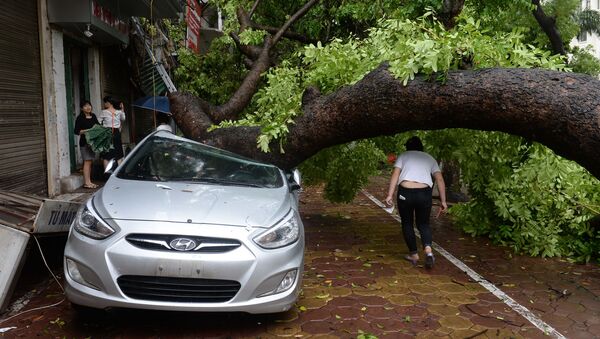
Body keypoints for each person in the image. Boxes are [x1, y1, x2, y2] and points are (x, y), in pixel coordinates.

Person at [385, 136, 447, 269]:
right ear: (421, 147)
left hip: (405, 193)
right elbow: (440, 179)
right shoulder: (429, 158)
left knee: (407, 223)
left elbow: (395, 175)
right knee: (423, 224)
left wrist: (390, 195)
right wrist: (443, 201)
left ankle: (414, 254)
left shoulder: (404, 155)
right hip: (424, 193)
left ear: (407, 147)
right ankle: (429, 252)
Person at [74, 100, 100, 189]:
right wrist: (87, 131)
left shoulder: (93, 116)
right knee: (87, 161)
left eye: (89, 105)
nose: (88, 107)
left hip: (93, 143)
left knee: (90, 162)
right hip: (84, 143)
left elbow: (98, 127)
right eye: (85, 106)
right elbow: (76, 131)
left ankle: (89, 182)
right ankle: (87, 183)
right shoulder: (80, 118)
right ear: (81, 108)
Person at [98, 96, 126, 168]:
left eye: (105, 102)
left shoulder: (104, 112)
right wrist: (122, 109)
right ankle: (118, 174)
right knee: (119, 154)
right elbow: (123, 119)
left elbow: (98, 122)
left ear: (109, 103)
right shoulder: (119, 112)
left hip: (107, 133)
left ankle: (107, 175)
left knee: (106, 155)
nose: (104, 104)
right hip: (116, 133)